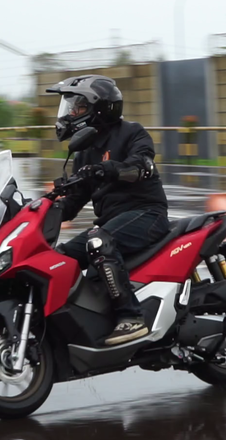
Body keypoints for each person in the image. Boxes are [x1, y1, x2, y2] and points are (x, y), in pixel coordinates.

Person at [47, 75, 170, 346]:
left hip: (147, 214)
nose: (69, 114)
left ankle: (132, 318)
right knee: (58, 257)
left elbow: (140, 167)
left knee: (98, 240)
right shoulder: (84, 153)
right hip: (113, 222)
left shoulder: (133, 133)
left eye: (76, 107)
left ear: (98, 108)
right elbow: (73, 202)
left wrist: (109, 169)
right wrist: (41, 208)